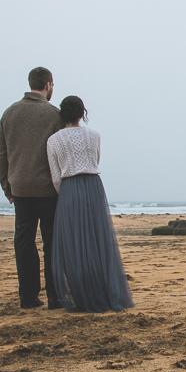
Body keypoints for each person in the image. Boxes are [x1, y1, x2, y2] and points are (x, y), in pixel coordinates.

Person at [46, 95, 134, 312]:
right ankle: (103, 290)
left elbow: (56, 178)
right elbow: (95, 161)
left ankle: (82, 294)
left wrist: (66, 194)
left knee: (75, 244)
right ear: (82, 113)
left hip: (69, 189)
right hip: (94, 186)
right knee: (97, 240)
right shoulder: (94, 135)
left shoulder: (53, 140)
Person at [0, 67, 63, 309]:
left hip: (20, 188)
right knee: (52, 242)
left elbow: (1, 155)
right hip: (48, 189)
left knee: (23, 242)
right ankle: (54, 295)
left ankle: (27, 295)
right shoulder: (54, 115)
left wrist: (7, 187)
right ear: (48, 85)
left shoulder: (9, 113)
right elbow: (61, 154)